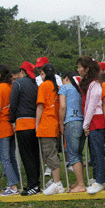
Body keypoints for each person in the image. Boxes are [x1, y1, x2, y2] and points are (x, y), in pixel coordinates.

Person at [10, 61, 42, 195]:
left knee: (27, 156)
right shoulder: (36, 85)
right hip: (35, 123)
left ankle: (33, 185)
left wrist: (12, 120)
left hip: (23, 124)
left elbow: (13, 103)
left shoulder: (18, 83)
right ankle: (36, 183)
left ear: (22, 72)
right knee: (35, 155)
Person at [0, 64, 21, 196]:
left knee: (4, 157)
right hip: (12, 124)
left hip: (2, 125)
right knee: (11, 156)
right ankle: (15, 182)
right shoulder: (11, 87)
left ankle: (13, 186)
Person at [77, 57, 105, 194]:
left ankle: (100, 180)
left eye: (80, 67)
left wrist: (86, 124)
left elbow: (91, 106)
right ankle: (97, 177)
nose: (78, 70)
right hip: (92, 120)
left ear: (87, 69)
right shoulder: (89, 84)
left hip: (96, 119)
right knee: (94, 152)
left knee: (97, 151)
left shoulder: (95, 85)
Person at [36, 63, 65, 195]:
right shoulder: (57, 87)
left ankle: (57, 183)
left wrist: (37, 124)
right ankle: (55, 180)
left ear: (43, 73)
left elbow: (40, 106)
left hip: (46, 124)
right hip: (54, 124)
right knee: (52, 152)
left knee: (49, 154)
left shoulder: (44, 86)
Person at [58, 71, 86, 193]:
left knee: (73, 155)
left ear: (66, 78)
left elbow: (62, 106)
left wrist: (60, 123)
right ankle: (79, 181)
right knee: (78, 154)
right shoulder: (79, 89)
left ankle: (81, 184)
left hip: (71, 122)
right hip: (82, 122)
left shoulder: (64, 87)